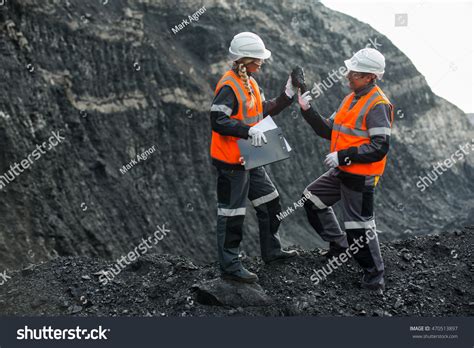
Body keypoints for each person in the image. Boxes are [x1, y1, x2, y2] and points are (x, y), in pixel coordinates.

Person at [297, 48, 394, 292]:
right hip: (342, 171)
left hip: (360, 177)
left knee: (359, 228)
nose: (348, 76)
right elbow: (328, 130)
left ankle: (375, 279)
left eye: (355, 73)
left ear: (371, 77)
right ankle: (339, 246)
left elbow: (380, 147)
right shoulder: (350, 99)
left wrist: (343, 156)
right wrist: (308, 111)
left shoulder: (378, 105)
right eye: (350, 70)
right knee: (311, 199)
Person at [210, 32, 298, 283]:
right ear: (243, 60)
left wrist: (287, 95)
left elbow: (263, 109)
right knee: (232, 214)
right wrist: (247, 131)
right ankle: (230, 267)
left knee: (271, 202)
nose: (261, 62)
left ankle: (272, 251)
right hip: (231, 162)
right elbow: (218, 119)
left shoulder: (249, 82)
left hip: (248, 157)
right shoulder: (229, 85)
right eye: (257, 58)